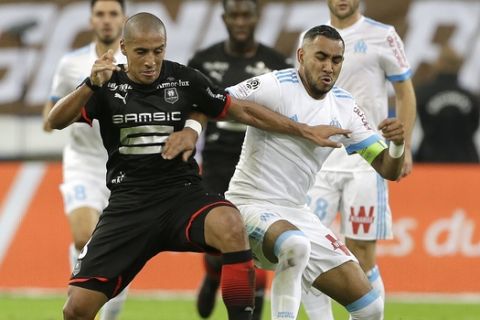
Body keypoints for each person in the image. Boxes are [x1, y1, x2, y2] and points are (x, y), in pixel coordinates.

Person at [47, 13, 347, 320]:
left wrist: (304, 130)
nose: (151, 60)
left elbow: (243, 111)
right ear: (124, 47)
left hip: (181, 196)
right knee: (76, 310)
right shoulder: (106, 85)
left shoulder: (184, 79)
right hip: (129, 205)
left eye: (158, 50)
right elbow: (54, 121)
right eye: (141, 52)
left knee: (232, 224)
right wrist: (89, 84)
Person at [209, 25, 403, 320]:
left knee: (371, 308)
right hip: (248, 204)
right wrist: (301, 130)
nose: (328, 67)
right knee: (295, 245)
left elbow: (388, 169)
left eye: (336, 60)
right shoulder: (276, 85)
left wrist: (398, 144)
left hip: (296, 214)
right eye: (321, 57)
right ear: (301, 55)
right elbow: (220, 103)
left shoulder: (345, 107)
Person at [303, 1, 417, 318]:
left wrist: (402, 146)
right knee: (308, 249)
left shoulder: (383, 35)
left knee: (362, 254)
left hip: (367, 159)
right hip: (321, 160)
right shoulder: (311, 37)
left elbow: (405, 91)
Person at [187, 0, 292, 318]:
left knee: (251, 247)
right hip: (216, 163)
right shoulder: (203, 62)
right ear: (224, 18)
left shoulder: (277, 63)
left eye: (247, 15)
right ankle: (212, 273)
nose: (241, 21)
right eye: (235, 15)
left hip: (259, 163)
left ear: (257, 17)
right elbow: (188, 110)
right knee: (221, 247)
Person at [42, 1, 128, 319]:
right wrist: (69, 113)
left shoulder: (137, 61)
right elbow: (51, 114)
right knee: (84, 237)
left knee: (121, 251)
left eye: (113, 14)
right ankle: (81, 293)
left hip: (124, 164)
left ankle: (109, 313)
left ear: (124, 19)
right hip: (84, 160)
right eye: (100, 14)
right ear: (91, 19)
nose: (106, 20)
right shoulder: (71, 63)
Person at [415, 45, 480, 162]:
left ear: (438, 63)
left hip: (429, 160)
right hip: (466, 160)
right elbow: (474, 125)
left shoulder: (422, 94)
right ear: (460, 66)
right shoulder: (472, 98)